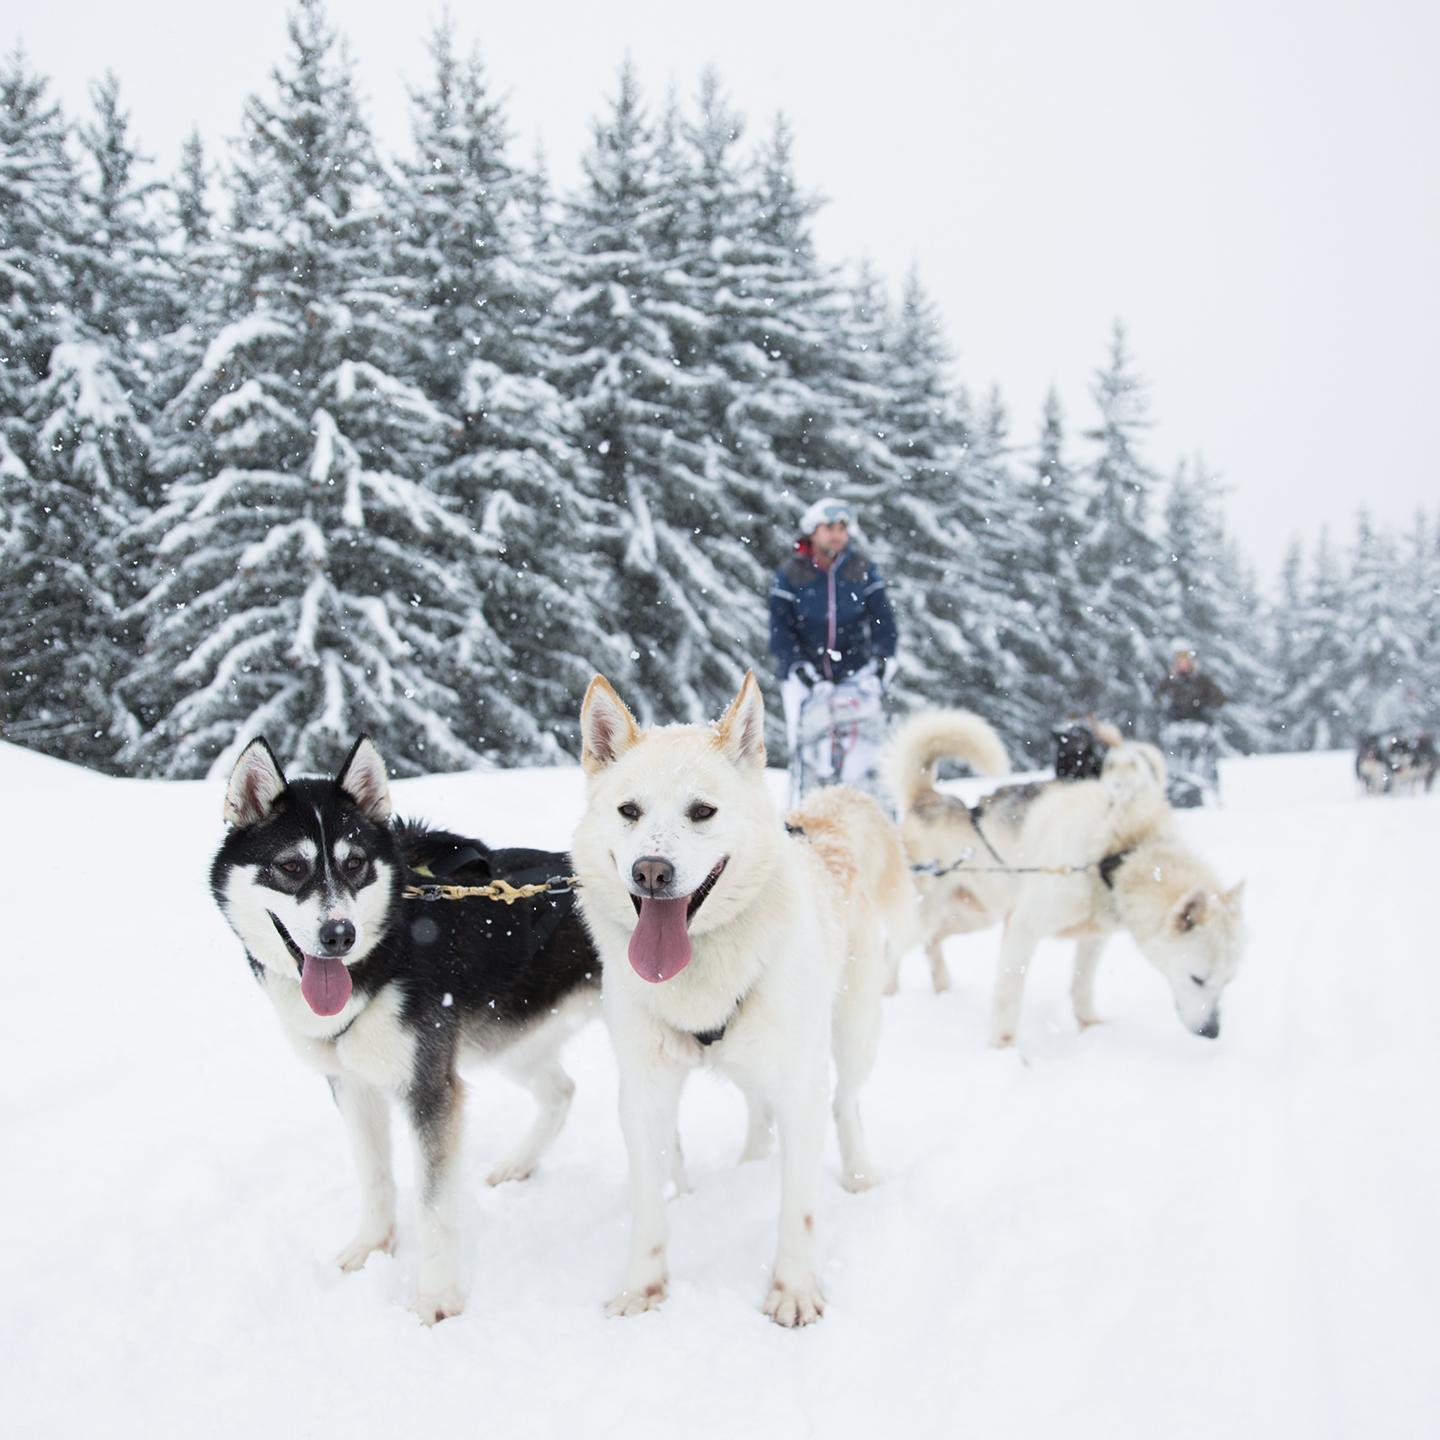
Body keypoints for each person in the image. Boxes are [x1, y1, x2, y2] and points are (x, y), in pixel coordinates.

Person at [768, 497, 898, 804]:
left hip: (855, 675)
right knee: (809, 754)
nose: (837, 534)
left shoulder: (861, 569)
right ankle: (806, 818)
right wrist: (796, 665)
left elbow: (883, 619)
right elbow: (780, 628)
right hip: (807, 678)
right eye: (829, 527)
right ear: (812, 531)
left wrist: (882, 660)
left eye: (842, 527)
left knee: (865, 755)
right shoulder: (791, 573)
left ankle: (873, 820)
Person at [1155, 643, 1226, 804]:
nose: (1183, 664)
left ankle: (1200, 782)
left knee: (1201, 750)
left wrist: (1209, 706)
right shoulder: (1170, 680)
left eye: (1186, 660)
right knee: (1172, 749)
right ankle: (1174, 782)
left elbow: (1219, 699)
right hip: (1176, 724)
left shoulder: (1202, 680)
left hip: (1198, 723)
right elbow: (1158, 696)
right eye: (1180, 661)